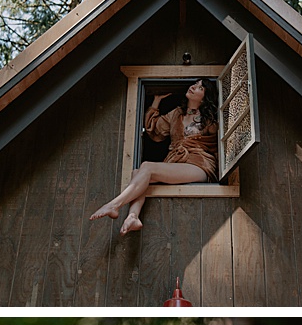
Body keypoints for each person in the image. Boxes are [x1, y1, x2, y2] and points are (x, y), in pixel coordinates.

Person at [90, 79, 219, 235]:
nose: (193, 87)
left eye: (200, 87)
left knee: (147, 167)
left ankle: (114, 205)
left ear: (205, 98)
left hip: (199, 163)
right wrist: (156, 101)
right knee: (137, 172)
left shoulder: (210, 119)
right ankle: (133, 216)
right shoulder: (177, 113)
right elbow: (154, 129)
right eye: (195, 84)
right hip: (177, 161)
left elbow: (223, 140)